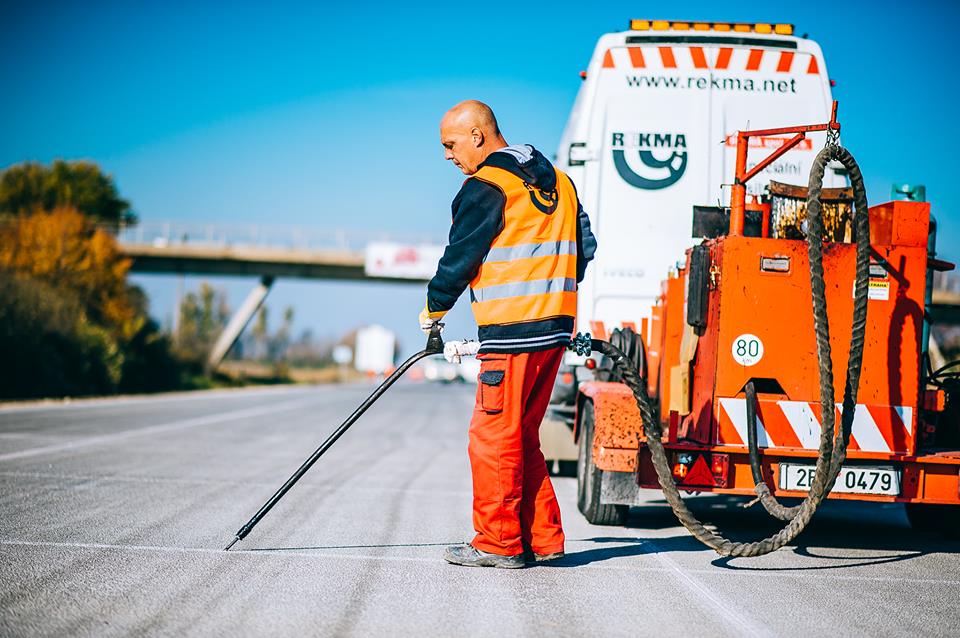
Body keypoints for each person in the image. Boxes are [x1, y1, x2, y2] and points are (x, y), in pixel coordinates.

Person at [418, 100, 596, 568]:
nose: (447, 156)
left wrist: (435, 308)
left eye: (450, 145)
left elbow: (461, 256)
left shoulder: (486, 186)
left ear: (477, 135)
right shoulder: (559, 180)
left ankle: (497, 543)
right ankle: (543, 538)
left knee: (492, 437)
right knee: (522, 433)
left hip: (512, 332)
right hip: (555, 330)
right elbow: (586, 248)